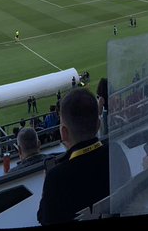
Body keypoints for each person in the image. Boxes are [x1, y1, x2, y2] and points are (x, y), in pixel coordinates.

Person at [37, 89, 109, 225]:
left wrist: (47, 186)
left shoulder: (56, 178)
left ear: (64, 133)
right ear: (98, 125)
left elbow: (44, 219)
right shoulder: (115, 153)